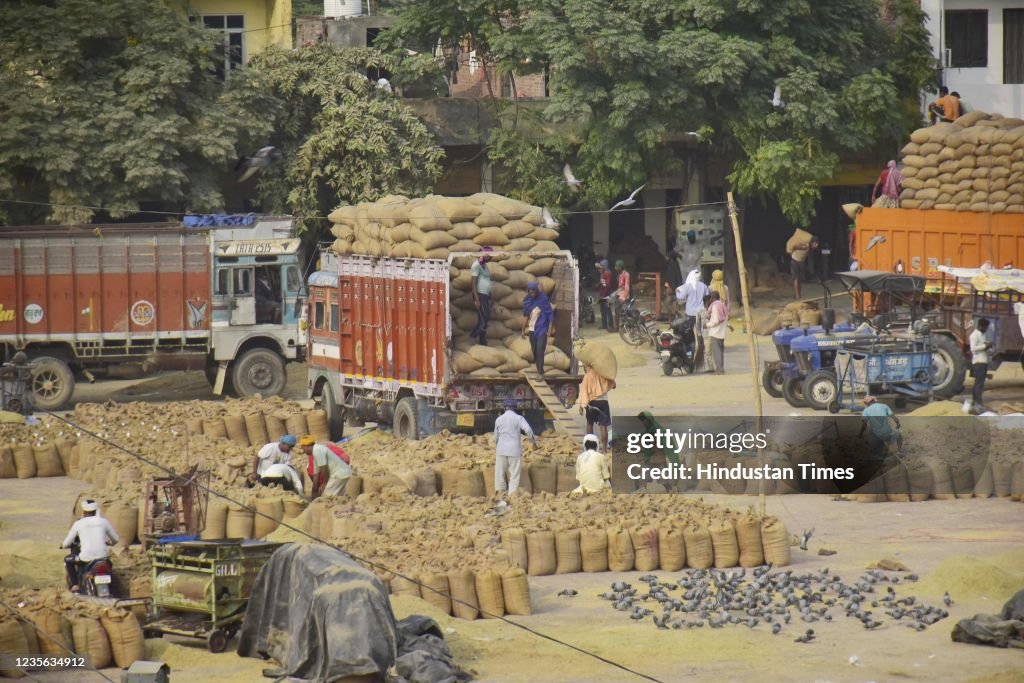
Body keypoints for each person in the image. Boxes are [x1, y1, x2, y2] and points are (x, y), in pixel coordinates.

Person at [62, 499, 118, 592]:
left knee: (67, 560)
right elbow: (116, 539)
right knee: (109, 564)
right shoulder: (104, 522)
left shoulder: (78, 524)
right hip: (103, 557)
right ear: (96, 511)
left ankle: (75, 585)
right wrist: (109, 543)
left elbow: (67, 543)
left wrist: (63, 545)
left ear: (83, 512)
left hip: (86, 558)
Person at [493, 400, 536, 495]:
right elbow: (528, 430)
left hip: (501, 450)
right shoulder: (518, 418)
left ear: (504, 408)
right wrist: (533, 442)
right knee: (514, 475)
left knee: (499, 474)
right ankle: (512, 495)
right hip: (514, 450)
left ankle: (500, 494)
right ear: (515, 408)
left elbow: (496, 437)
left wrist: (498, 447)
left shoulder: (499, 419)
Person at [576, 362, 616, 452]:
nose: (584, 369)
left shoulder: (587, 376)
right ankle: (605, 450)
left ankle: (590, 449)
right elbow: (614, 385)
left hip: (591, 403)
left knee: (590, 424)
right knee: (603, 426)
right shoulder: (603, 374)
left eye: (584, 367)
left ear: (587, 366)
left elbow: (584, 392)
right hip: (603, 402)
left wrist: (581, 406)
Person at [676, 269, 709, 362]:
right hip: (701, 312)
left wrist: (677, 290)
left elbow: (680, 296)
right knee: (700, 333)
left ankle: (690, 351)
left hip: (690, 313)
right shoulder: (704, 286)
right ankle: (702, 349)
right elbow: (707, 296)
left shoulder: (688, 286)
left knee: (689, 332)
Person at [522, 282, 554, 375]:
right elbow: (526, 316)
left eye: (534, 290)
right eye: (530, 291)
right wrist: (523, 330)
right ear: (528, 291)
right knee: (535, 350)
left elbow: (550, 313)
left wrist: (550, 328)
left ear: (537, 290)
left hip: (542, 328)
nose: (532, 292)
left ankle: (540, 372)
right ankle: (539, 368)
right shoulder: (527, 300)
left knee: (540, 349)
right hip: (532, 329)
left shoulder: (543, 299)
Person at [470, 247, 494, 345]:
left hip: (486, 296)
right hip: (480, 295)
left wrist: (491, 296)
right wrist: (476, 300)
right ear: (483, 255)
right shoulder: (476, 266)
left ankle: (482, 340)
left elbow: (487, 281)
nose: (491, 258)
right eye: (489, 256)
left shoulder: (485, 266)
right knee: (485, 318)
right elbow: (473, 284)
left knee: (483, 319)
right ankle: (472, 336)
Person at [969, 318, 993, 413]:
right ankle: (978, 402)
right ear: (981, 326)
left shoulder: (982, 335)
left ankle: (975, 402)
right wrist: (985, 346)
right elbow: (973, 348)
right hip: (978, 362)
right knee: (978, 384)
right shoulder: (974, 335)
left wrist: (988, 347)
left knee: (979, 383)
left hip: (983, 361)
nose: (986, 329)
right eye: (986, 327)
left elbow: (983, 348)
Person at [788, 234, 818, 299]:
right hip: (795, 261)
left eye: (817, 244)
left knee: (800, 279)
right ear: (812, 243)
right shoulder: (806, 245)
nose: (816, 245)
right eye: (815, 244)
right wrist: (791, 254)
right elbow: (794, 246)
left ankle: (799, 294)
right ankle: (797, 295)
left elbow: (809, 259)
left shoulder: (811, 249)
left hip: (801, 262)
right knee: (796, 278)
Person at [706, 290, 728, 374]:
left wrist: (707, 325)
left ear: (713, 298)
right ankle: (720, 368)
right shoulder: (722, 305)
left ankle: (719, 369)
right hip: (722, 332)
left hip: (715, 332)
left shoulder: (715, 307)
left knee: (717, 352)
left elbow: (715, 320)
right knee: (720, 352)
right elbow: (725, 318)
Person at [612, 260, 631, 331]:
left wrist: (624, 297)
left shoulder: (626, 274)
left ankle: (624, 328)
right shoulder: (620, 275)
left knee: (624, 313)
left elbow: (626, 286)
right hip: (619, 295)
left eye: (617, 267)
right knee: (617, 311)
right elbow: (620, 287)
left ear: (621, 267)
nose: (615, 268)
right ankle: (617, 327)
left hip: (623, 296)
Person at [597, 259, 615, 330]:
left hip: (606, 294)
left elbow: (607, 285)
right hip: (603, 294)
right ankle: (604, 325)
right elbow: (603, 283)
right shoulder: (603, 273)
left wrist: (603, 295)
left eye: (601, 266)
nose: (600, 267)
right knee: (602, 310)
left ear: (605, 266)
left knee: (607, 310)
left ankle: (610, 326)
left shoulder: (607, 273)